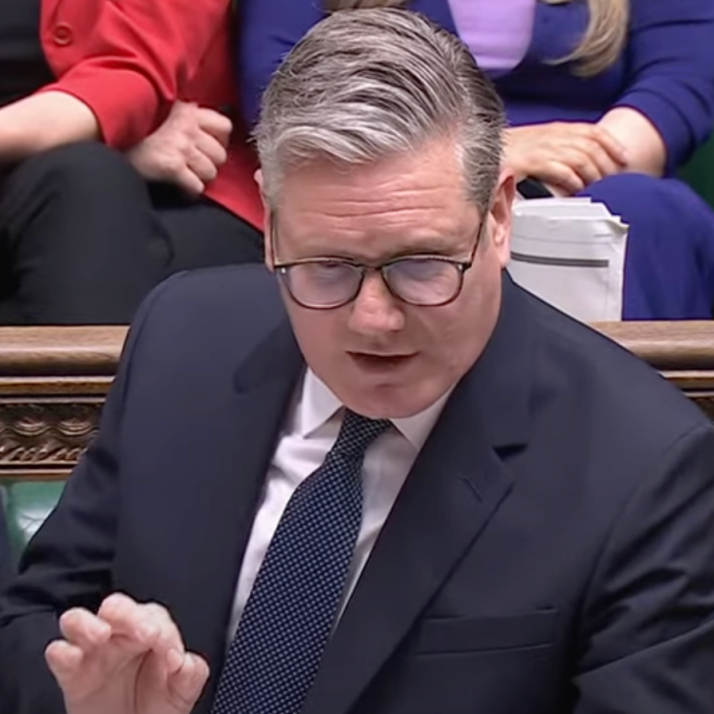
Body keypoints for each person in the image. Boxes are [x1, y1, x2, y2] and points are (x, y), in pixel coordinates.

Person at [2, 9, 714, 714]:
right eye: (328, 267)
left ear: (498, 218)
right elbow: (35, 624)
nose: (375, 319)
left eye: (423, 265)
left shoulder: (645, 467)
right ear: (271, 230)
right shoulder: (182, 340)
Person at [239, 0, 714, 320]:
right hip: (385, 161)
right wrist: (485, 156)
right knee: (390, 224)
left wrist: (559, 175)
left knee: (641, 213)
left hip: (595, 164)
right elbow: (281, 79)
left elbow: (682, 74)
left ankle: (640, 430)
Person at [0, 0, 264, 324]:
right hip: (49, 186)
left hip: (174, 198)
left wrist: (105, 132)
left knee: (84, 186)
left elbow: (126, 77)